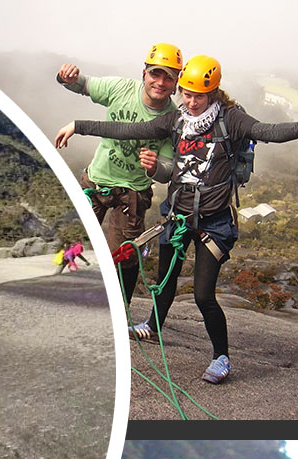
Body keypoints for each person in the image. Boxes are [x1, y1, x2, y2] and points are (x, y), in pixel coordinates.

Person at [56, 55, 298, 383]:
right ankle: (153, 327)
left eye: (199, 95)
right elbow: (128, 130)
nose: (192, 102)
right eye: (186, 93)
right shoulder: (177, 120)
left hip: (213, 224)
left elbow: (268, 131)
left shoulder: (232, 119)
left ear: (213, 92)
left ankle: (221, 357)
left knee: (202, 295)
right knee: (164, 281)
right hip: (177, 215)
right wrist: (78, 126)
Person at [57, 44, 181, 306]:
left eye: (168, 77)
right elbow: (83, 84)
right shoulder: (121, 89)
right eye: (155, 74)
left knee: (126, 256)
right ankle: (61, 296)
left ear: (176, 82)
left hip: (132, 193)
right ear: (144, 73)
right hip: (97, 180)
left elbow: (167, 171)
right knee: (76, 241)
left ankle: (120, 309)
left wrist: (154, 167)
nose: (160, 82)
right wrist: (67, 77)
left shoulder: (173, 120)